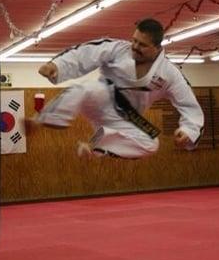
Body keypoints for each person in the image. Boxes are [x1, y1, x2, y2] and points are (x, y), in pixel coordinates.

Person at [26, 18, 204, 159]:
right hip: (103, 96)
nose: (135, 47)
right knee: (85, 88)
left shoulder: (169, 74)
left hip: (126, 116)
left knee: (151, 143)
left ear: (157, 48)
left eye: (142, 45)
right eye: (134, 40)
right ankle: (43, 119)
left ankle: (96, 148)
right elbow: (86, 53)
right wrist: (57, 66)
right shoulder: (118, 49)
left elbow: (189, 105)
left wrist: (188, 131)